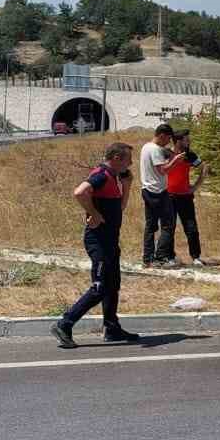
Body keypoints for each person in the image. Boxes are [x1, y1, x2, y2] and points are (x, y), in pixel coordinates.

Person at [53, 143, 140, 348]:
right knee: (100, 287)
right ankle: (64, 324)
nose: (131, 163)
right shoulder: (101, 174)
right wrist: (93, 213)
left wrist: (127, 186)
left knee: (113, 285)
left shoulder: (114, 178)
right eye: (128, 159)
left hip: (110, 240)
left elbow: (120, 207)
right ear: (117, 158)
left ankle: (112, 328)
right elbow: (79, 192)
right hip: (98, 240)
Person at [140, 123, 182, 267]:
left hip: (147, 189)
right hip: (157, 192)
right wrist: (175, 161)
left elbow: (162, 153)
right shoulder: (155, 150)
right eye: (168, 139)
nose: (169, 142)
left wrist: (171, 154)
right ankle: (161, 257)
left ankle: (148, 258)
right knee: (168, 225)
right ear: (162, 135)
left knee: (150, 226)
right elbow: (163, 170)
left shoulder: (146, 147)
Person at [167, 130, 208, 267]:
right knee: (169, 228)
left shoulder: (190, 155)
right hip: (169, 196)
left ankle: (196, 257)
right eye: (186, 140)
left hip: (185, 196)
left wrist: (195, 186)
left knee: (191, 228)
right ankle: (169, 257)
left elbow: (204, 168)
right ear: (178, 141)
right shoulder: (166, 154)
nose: (189, 142)